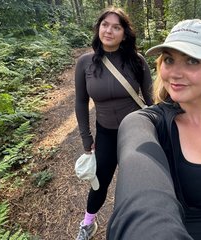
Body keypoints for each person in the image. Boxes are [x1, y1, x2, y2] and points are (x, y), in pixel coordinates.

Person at [106, 19, 201, 240]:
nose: (175, 73)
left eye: (192, 61)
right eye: (169, 60)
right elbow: (138, 169)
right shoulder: (149, 124)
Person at [74, 6, 153, 240]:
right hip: (106, 133)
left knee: (139, 182)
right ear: (98, 28)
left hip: (137, 132)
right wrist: (86, 137)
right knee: (100, 182)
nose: (109, 30)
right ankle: (88, 223)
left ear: (124, 33)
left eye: (116, 27)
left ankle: (142, 226)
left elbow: (151, 100)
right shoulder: (85, 63)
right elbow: (80, 102)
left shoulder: (136, 61)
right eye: (105, 25)